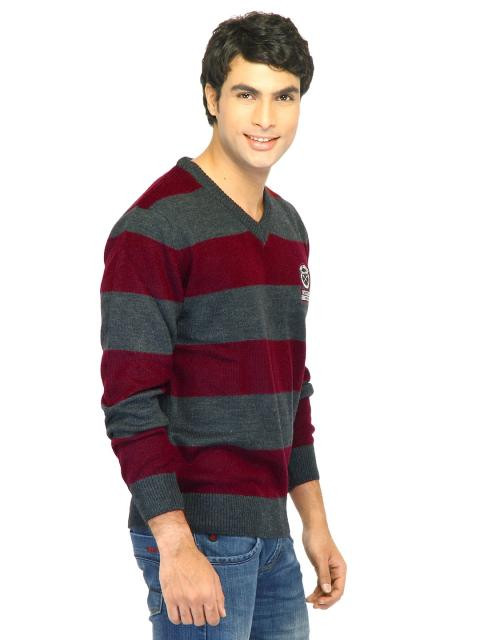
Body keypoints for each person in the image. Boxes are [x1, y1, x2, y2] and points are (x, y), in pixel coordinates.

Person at [100, 10, 346, 638]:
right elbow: (130, 401)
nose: (266, 118)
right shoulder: (154, 228)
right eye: (245, 94)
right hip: (196, 537)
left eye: (283, 96)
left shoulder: (288, 228)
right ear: (212, 98)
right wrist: (175, 544)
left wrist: (314, 522)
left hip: (273, 538)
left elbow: (290, 386)